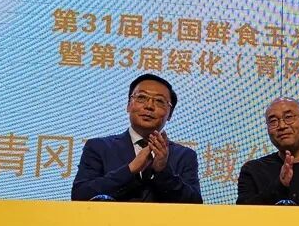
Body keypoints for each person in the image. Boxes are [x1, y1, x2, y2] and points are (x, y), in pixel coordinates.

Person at [71, 74, 202, 203]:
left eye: (159, 101)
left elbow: (195, 204)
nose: (149, 106)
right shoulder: (99, 147)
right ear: (129, 105)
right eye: (141, 98)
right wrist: (130, 169)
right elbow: (80, 194)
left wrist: (162, 170)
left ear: (170, 114)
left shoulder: (184, 156)